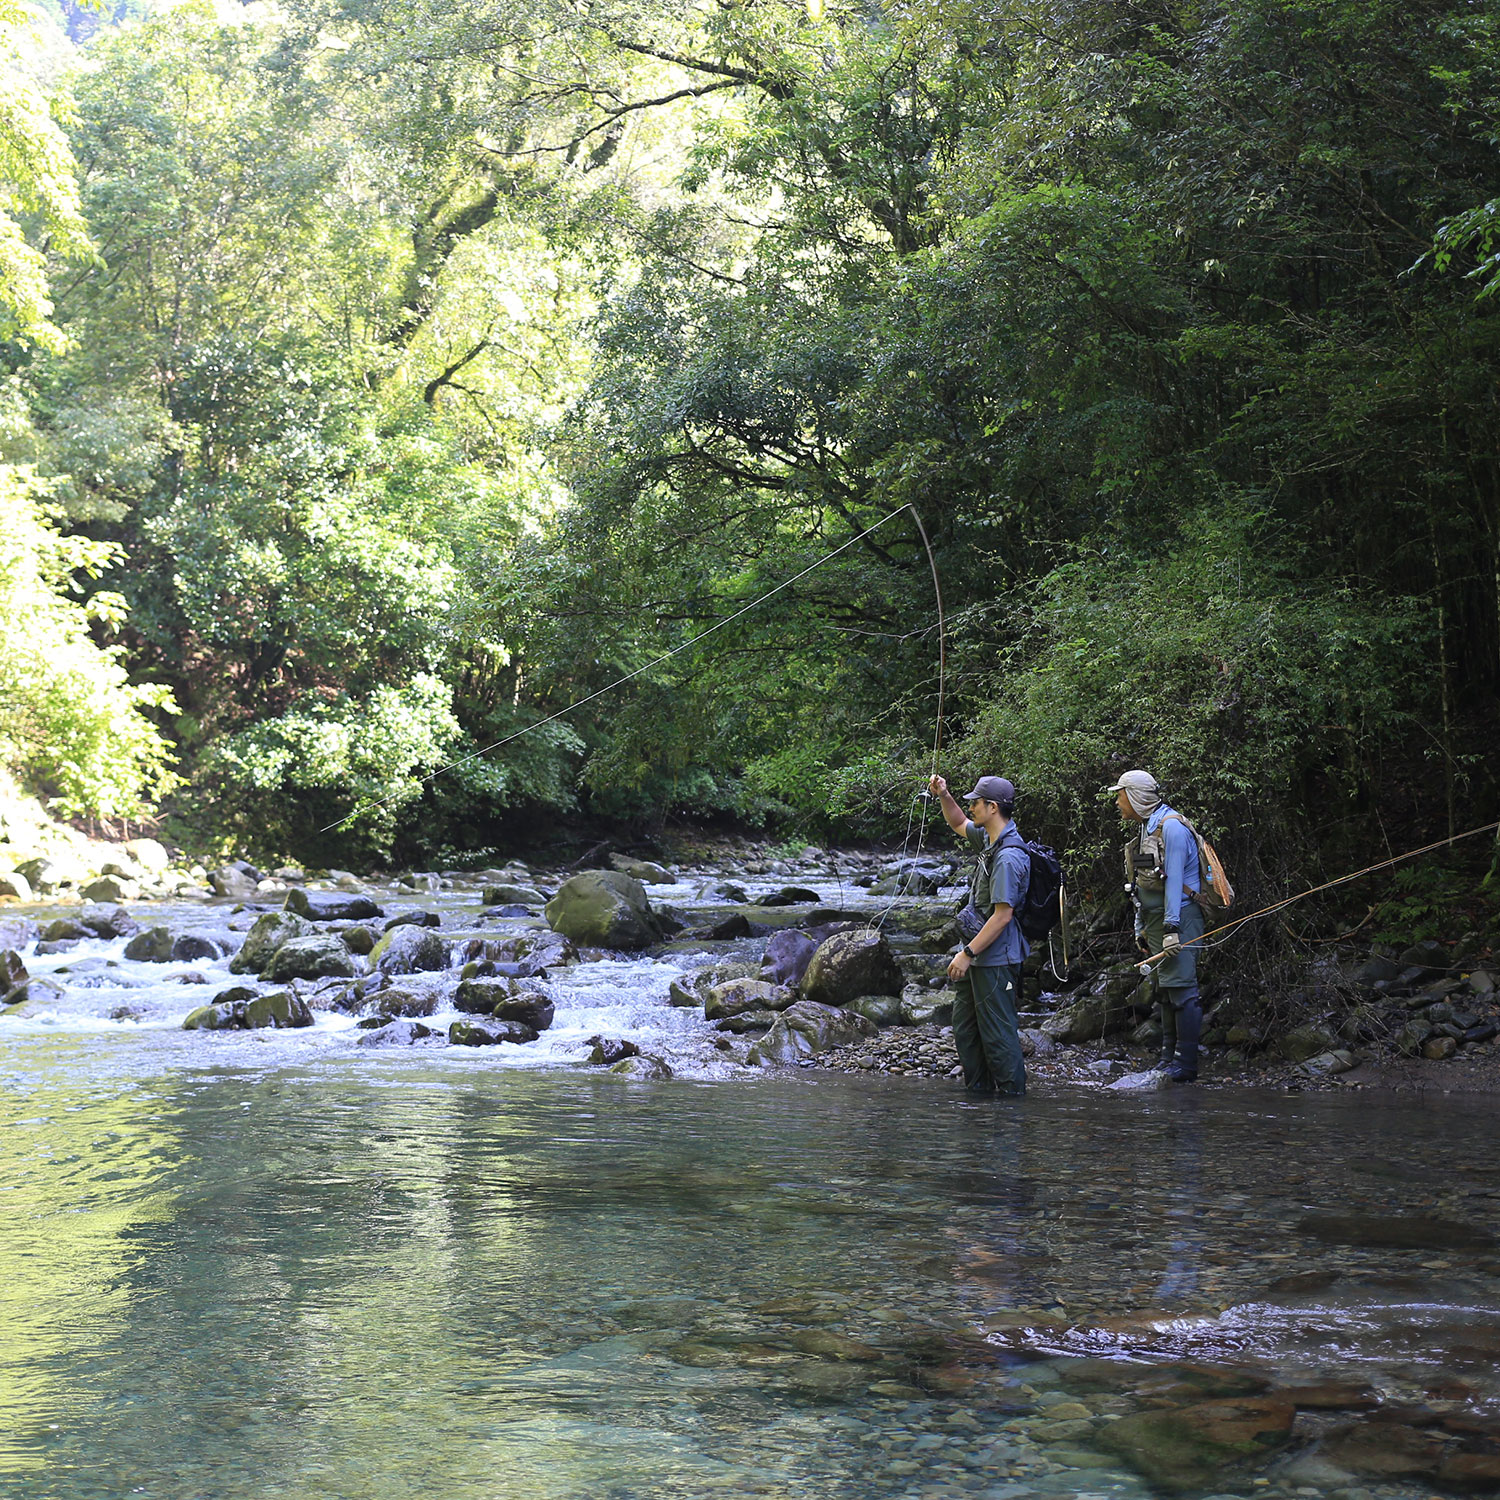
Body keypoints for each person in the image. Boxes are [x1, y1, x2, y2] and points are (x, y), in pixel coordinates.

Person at [926, 772, 1031, 1096]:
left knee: (998, 1036)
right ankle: (980, 1102)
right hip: (979, 958)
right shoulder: (988, 837)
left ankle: (1013, 1107)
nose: (971, 807)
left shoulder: (1009, 856)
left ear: (993, 807)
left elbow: (1002, 917)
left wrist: (967, 954)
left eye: (977, 803)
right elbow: (958, 822)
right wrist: (943, 794)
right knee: (967, 1030)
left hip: (996, 961)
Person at [1109, 769, 1203, 1082]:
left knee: (1182, 992)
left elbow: (1175, 880)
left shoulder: (1172, 828)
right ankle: (1167, 1058)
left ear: (1135, 796)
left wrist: (1172, 928)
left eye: (1120, 795)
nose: (1118, 803)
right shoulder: (1146, 827)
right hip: (1155, 921)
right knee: (1165, 991)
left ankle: (1185, 1065)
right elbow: (1142, 884)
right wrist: (1141, 926)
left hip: (1180, 920)